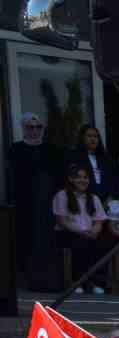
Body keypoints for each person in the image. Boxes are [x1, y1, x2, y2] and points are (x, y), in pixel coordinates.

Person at [8, 112, 64, 289]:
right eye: (30, 127)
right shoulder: (15, 149)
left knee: (46, 240)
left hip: (47, 202)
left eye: (38, 127)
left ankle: (47, 279)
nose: (34, 131)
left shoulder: (51, 150)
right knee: (25, 240)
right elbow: (12, 177)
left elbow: (58, 176)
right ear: (24, 129)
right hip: (24, 202)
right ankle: (26, 278)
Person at [52, 164, 110, 293]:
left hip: (89, 233)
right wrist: (82, 232)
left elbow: (99, 221)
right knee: (80, 244)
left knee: (104, 244)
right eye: (78, 177)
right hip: (68, 232)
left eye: (85, 177)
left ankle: (96, 282)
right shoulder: (62, 195)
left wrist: (94, 231)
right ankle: (78, 282)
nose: (83, 180)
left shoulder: (94, 198)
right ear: (70, 179)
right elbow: (62, 221)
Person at [67, 124, 117, 204]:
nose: (93, 139)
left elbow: (114, 180)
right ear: (82, 138)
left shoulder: (106, 159)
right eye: (89, 136)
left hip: (106, 202)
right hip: (82, 201)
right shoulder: (74, 157)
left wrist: (110, 198)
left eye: (95, 136)